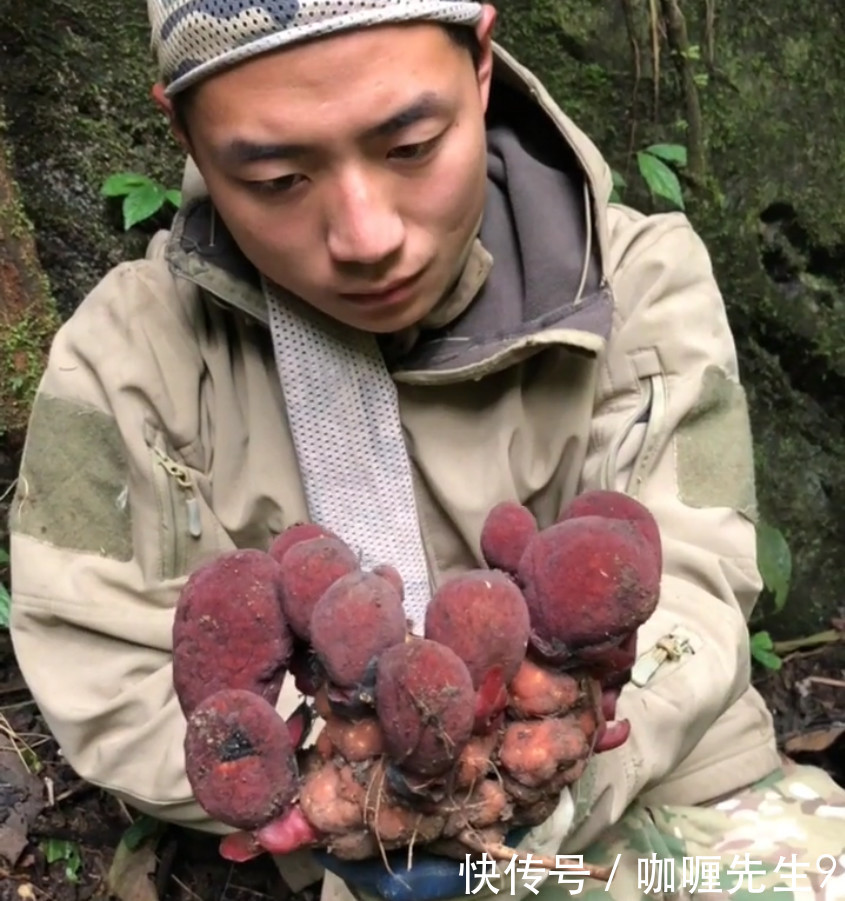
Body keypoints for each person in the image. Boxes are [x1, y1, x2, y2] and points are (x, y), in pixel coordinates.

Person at [8, 1, 845, 899]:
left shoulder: (639, 285)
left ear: (481, 63)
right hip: (344, 856)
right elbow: (103, 653)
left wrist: (522, 771)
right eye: (280, 177)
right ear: (182, 126)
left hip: (665, 787)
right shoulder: (125, 359)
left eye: (409, 148)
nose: (365, 236)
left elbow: (690, 580)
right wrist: (356, 791)